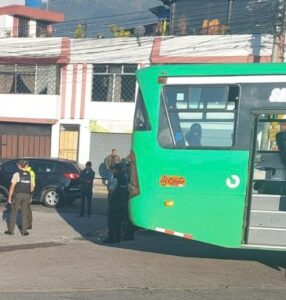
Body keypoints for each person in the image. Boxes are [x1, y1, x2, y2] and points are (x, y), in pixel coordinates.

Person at [5, 160, 35, 236]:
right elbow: (32, 187)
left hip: (18, 195)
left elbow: (12, 187)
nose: (17, 166)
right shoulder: (30, 175)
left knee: (14, 212)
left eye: (18, 165)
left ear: (20, 166)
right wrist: (30, 196)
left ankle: (11, 231)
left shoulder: (16, 174)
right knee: (24, 213)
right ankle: (24, 231)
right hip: (27, 195)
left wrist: (9, 198)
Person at [103, 164, 124, 243]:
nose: (112, 171)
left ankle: (111, 238)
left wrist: (108, 185)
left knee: (111, 222)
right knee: (118, 222)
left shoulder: (115, 179)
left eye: (113, 169)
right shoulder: (123, 178)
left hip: (114, 204)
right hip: (121, 203)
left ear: (117, 170)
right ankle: (117, 238)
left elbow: (111, 190)